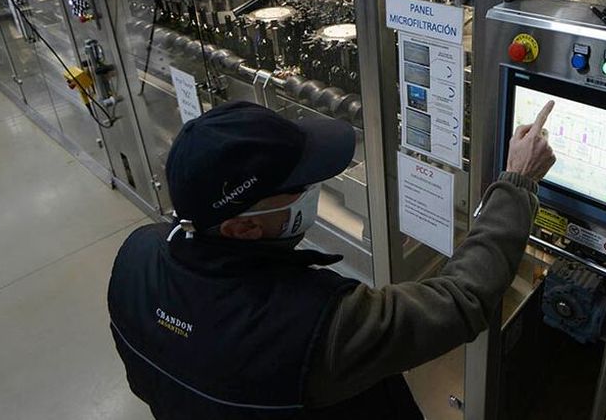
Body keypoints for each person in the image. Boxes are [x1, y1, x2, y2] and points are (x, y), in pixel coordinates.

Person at [108, 99, 555, 419]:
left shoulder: (136, 257)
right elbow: (461, 300)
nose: (312, 192)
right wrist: (516, 184)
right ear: (242, 229)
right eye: (299, 187)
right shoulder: (312, 327)